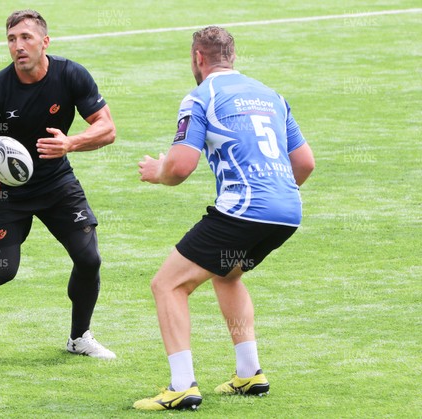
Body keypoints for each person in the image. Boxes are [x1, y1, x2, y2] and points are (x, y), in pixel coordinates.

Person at [133, 26, 315, 410]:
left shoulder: (201, 96)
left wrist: (157, 171)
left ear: (198, 58)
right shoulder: (272, 96)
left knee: (167, 285)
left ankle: (182, 386)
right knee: (227, 273)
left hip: (245, 210)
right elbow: (304, 163)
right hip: (287, 211)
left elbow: (180, 167)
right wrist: (274, 193)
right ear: (231, 57)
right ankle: (249, 374)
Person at [0, 9, 117, 359]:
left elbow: (107, 128)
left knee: (89, 259)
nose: (18, 46)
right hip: (8, 193)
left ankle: (79, 338)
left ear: (45, 42)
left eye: (26, 38)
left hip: (57, 185)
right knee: (1, 270)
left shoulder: (71, 76)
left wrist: (70, 143)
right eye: (11, 39)